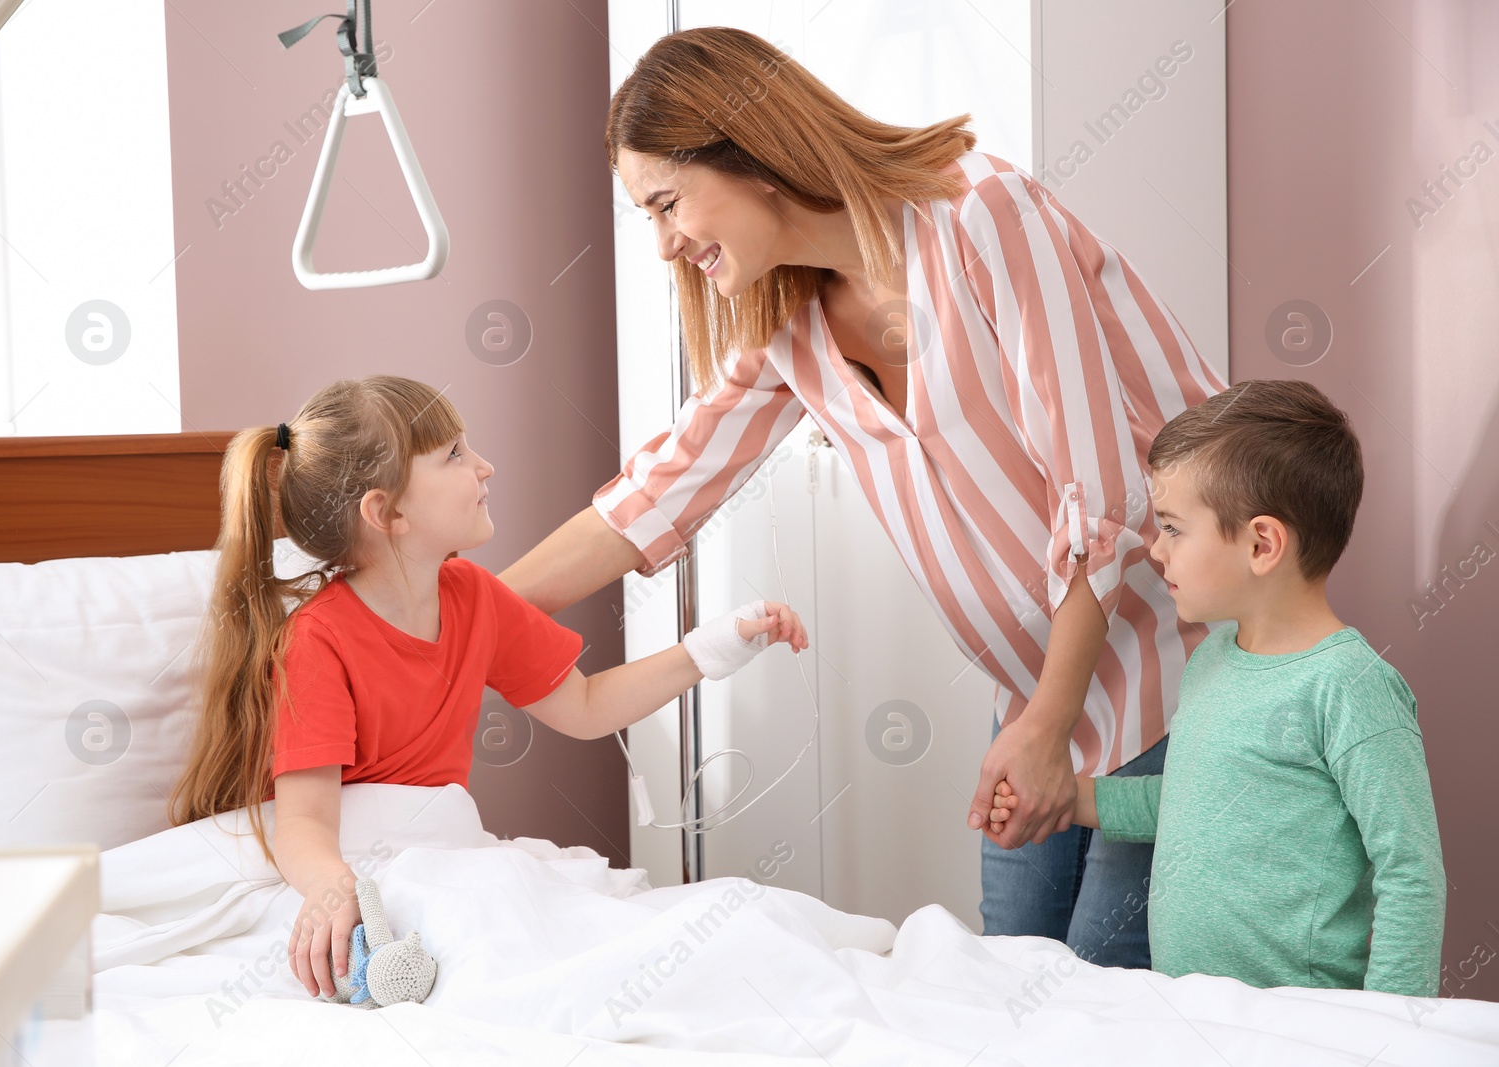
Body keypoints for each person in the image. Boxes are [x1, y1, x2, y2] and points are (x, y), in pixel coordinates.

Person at [498, 27, 1227, 967]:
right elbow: (656, 494)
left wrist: (1046, 723)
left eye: (668, 203)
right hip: (1039, 696)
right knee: (1006, 988)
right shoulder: (791, 328)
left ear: (749, 151)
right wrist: (446, 619)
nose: (666, 244)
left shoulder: (984, 216)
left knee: (1101, 1004)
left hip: (1176, 675)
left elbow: (1107, 497)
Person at [168, 375, 808, 999]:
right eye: (453, 455)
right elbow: (305, 823)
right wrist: (337, 892)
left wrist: (714, 646)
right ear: (387, 512)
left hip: (449, 849)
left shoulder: (474, 596)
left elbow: (586, 707)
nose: (485, 466)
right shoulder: (318, 640)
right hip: (365, 862)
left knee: (697, 933)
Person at [988, 380, 1445, 995]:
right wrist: (1068, 799)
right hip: (1199, 1013)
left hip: (1296, 1026)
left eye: (1174, 528)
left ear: (1262, 544)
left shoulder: (1348, 687)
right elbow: (1188, 803)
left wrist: (1386, 1035)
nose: (1154, 549)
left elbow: (1411, 871)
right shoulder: (1211, 663)